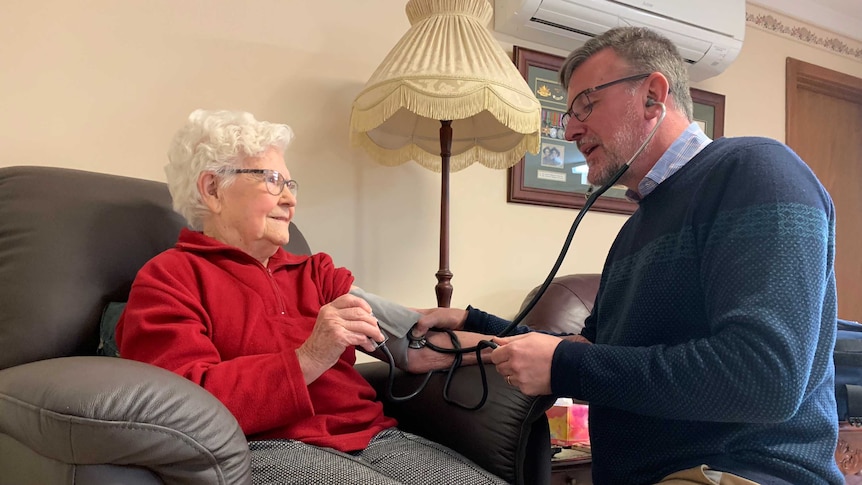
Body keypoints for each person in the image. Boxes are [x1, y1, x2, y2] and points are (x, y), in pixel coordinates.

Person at [416, 26, 843, 485]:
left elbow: (765, 378)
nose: (571, 127)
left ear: (653, 96)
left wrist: (563, 367)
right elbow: (590, 351)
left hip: (736, 472)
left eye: (585, 105)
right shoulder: (635, 229)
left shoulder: (756, 170)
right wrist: (472, 322)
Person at [115, 109, 506, 485]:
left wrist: (511, 346)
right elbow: (181, 407)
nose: (290, 200)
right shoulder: (169, 279)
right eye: (272, 180)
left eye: (290, 184)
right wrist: (309, 357)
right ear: (213, 188)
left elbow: (413, 343)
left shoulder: (316, 273)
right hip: (270, 447)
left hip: (375, 439)